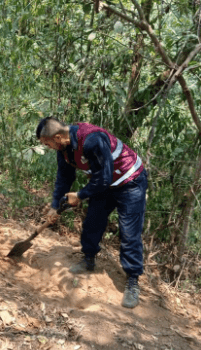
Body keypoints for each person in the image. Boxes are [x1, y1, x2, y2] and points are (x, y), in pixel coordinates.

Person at [36, 117, 148, 309]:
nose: (48, 148)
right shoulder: (64, 150)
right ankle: (88, 259)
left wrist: (80, 195)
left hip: (130, 181)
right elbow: (64, 178)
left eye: (47, 144)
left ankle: (132, 280)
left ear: (58, 137)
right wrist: (55, 206)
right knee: (92, 222)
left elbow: (104, 177)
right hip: (103, 183)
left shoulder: (91, 140)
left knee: (129, 232)